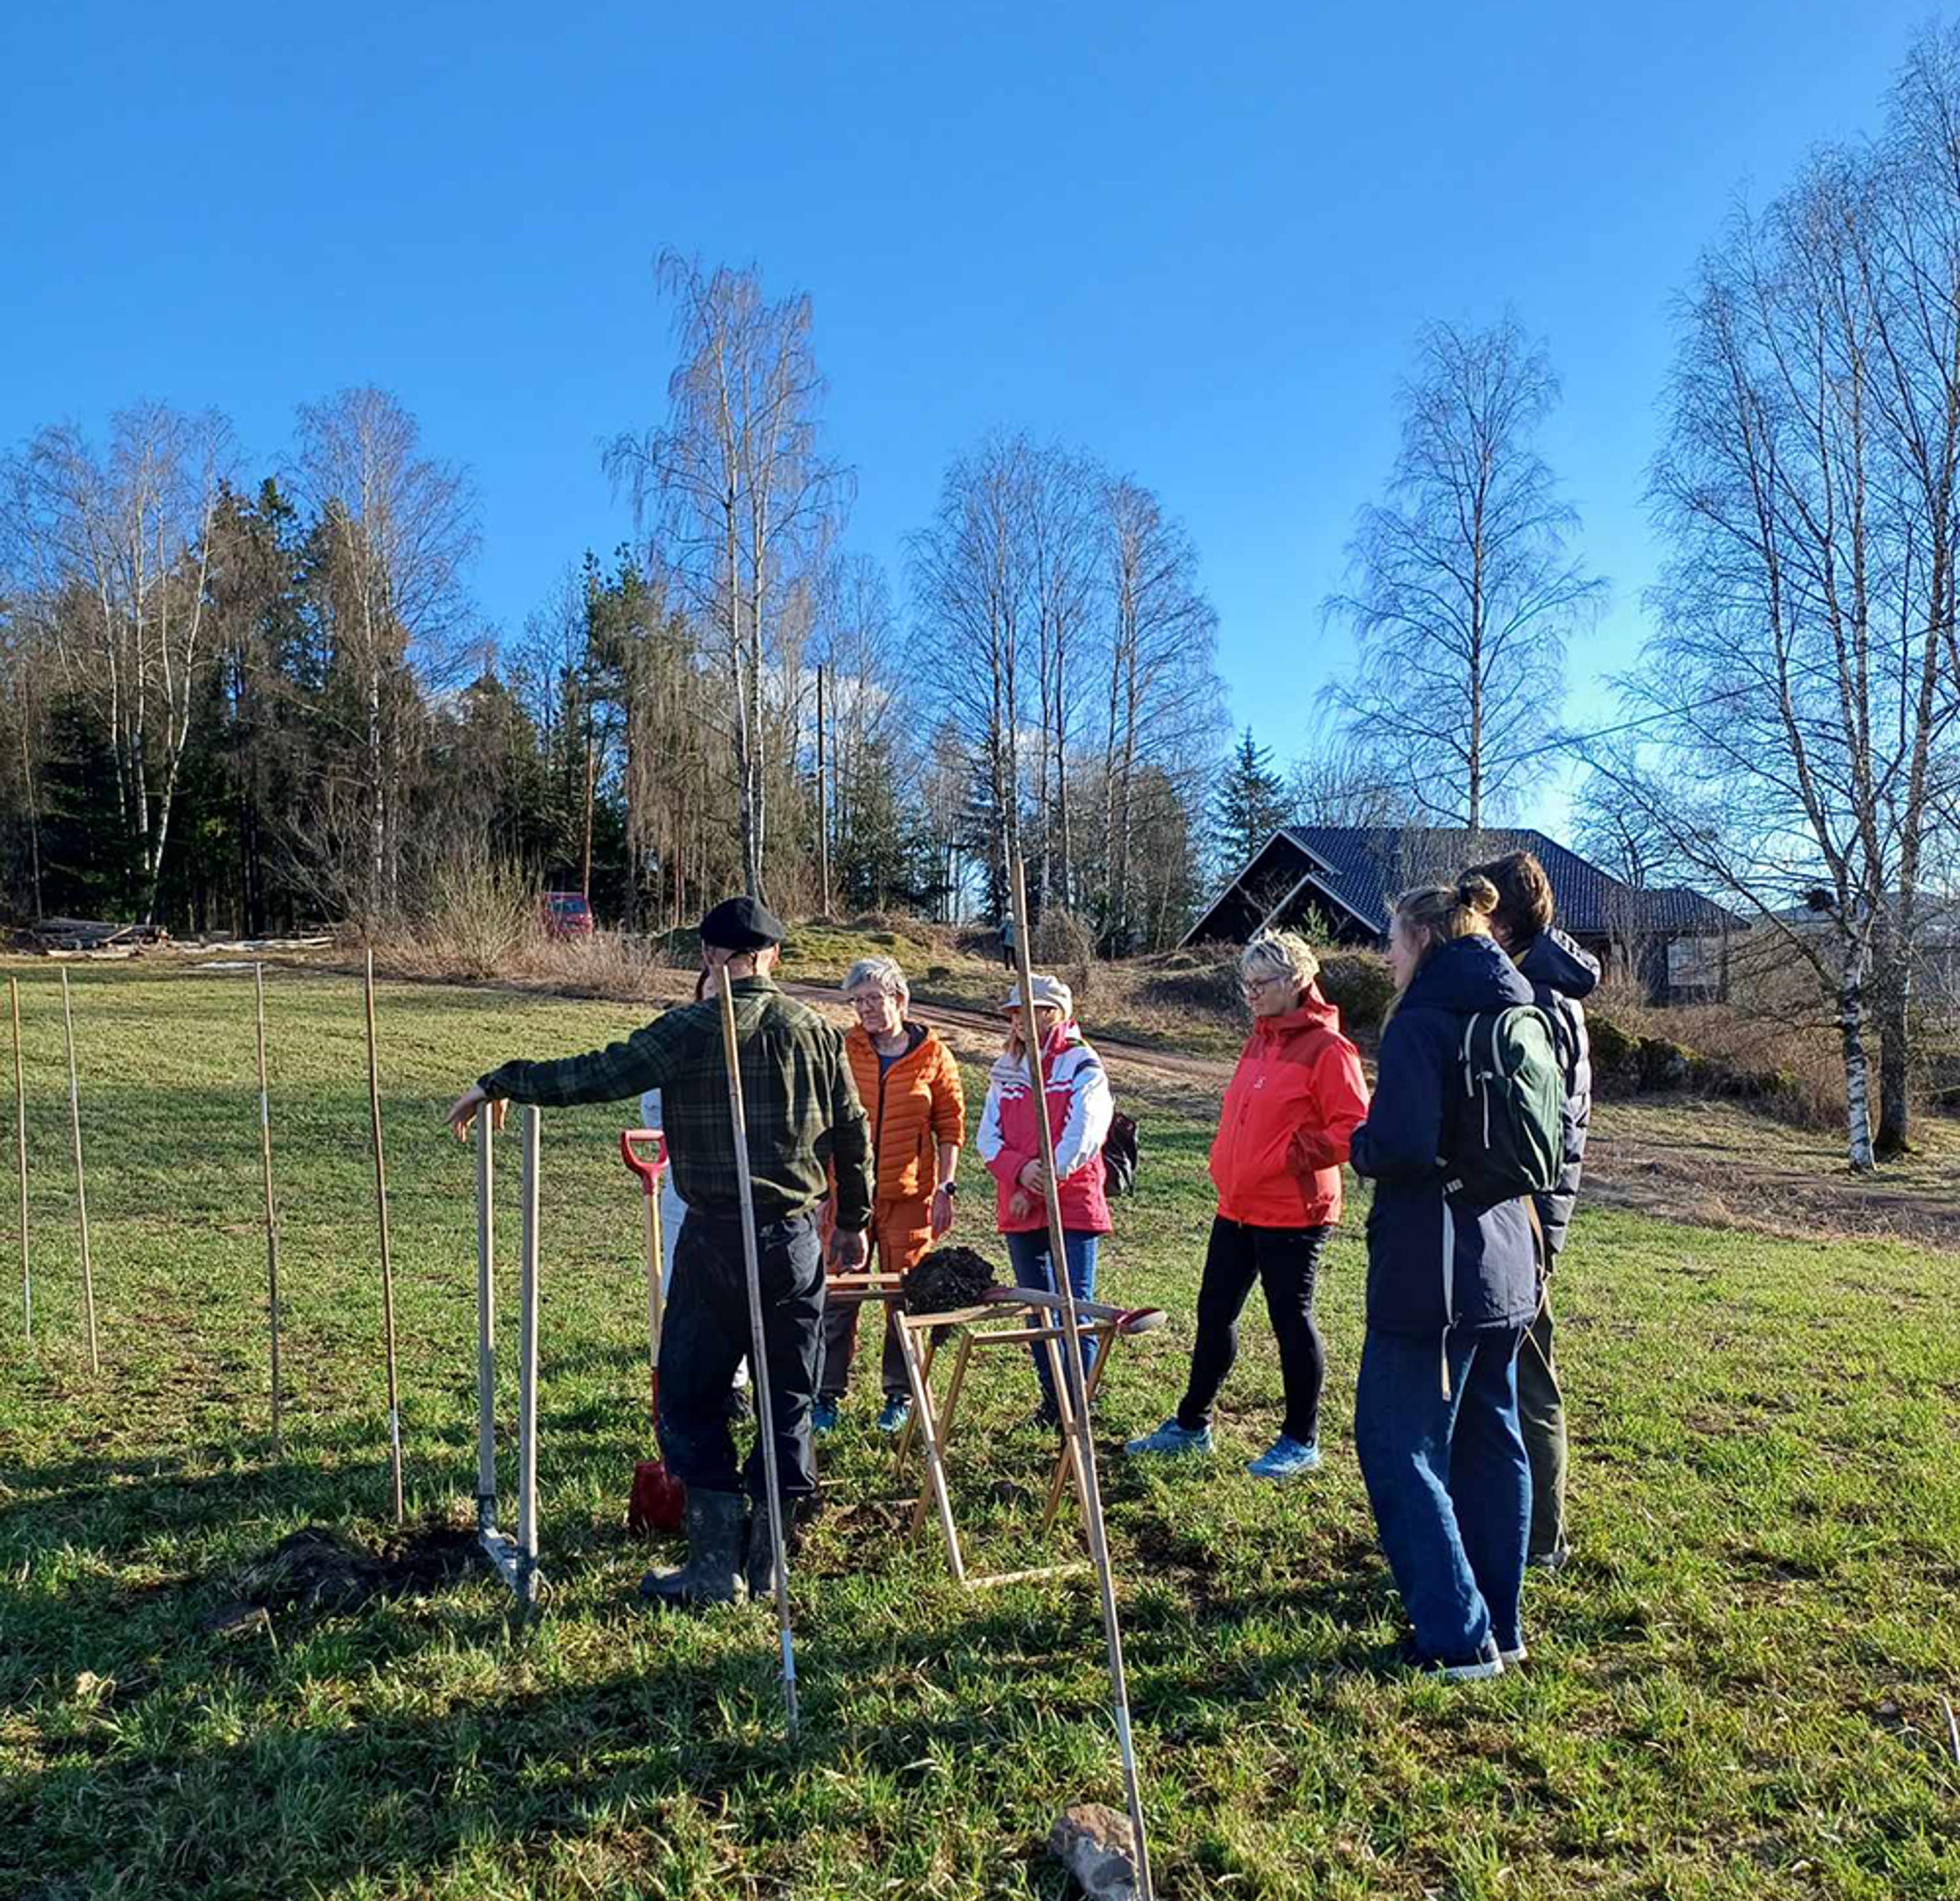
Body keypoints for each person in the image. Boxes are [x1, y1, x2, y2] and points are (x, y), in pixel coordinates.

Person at [446, 895, 871, 1608]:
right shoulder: (817, 1032)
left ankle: (714, 1569)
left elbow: (596, 1073)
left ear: (709, 956)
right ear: (773, 957)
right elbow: (852, 1134)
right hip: (794, 1240)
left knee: (690, 1394)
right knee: (788, 1398)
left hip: (715, 1243)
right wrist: (853, 1220)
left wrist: (503, 1080)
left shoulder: (688, 1028)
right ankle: (768, 1565)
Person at [1349, 875, 1538, 1681]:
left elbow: (1401, 1145)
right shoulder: (1515, 1004)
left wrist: (1357, 1142)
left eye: (1391, 940)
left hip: (1435, 1271)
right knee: (1492, 1441)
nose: (1385, 957)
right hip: (1508, 1256)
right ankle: (1502, 1623)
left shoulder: (1423, 1020)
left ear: (1423, 938)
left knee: (1399, 1443)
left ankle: (1457, 1638)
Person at [1125, 931, 1368, 1479]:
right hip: (1238, 1205)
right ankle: (1191, 1425)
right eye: (1246, 984)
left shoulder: (1330, 1050)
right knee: (1214, 1313)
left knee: (1290, 1319)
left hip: (1294, 1210)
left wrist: (1291, 1154)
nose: (1251, 993)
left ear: (1297, 980)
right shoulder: (1258, 1040)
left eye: (1262, 983)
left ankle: (1301, 1439)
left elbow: (1353, 1128)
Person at [1469, 849, 1598, 1571]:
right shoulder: (1546, 985)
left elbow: (1538, 1129)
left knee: (1529, 1378)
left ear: (1502, 919)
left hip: (1527, 1212)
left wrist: (1534, 1226)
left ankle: (1541, 1538)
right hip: (1532, 1208)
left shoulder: (1537, 999)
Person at [815, 955, 966, 1435]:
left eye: (873, 999)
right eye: (857, 1001)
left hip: (911, 1198)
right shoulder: (845, 1049)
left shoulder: (935, 1056)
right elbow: (822, 1122)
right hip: (847, 1196)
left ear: (900, 999)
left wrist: (945, 1187)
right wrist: (820, 1190)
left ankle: (899, 1395)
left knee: (904, 1296)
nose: (865, 1009)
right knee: (839, 1296)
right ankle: (826, 1395)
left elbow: (950, 1127)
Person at [975, 972, 1112, 1428]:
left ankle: (1081, 1402)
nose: (1018, 1020)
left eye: (1029, 1011)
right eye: (1014, 1013)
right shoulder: (1006, 1068)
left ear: (1054, 1013)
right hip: (1019, 1201)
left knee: (1075, 1303)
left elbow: (1085, 1131)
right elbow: (987, 1137)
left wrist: (1041, 1181)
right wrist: (1019, 1172)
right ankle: (1053, 1402)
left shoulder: (1081, 1062)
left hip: (1070, 1201)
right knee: (1038, 1306)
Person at [641, 972, 749, 1410]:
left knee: (740, 1285)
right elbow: (654, 1115)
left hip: (745, 1190)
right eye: (710, 994)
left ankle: (736, 1383)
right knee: (683, 1283)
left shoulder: (753, 1049)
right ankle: (689, 1379)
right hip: (687, 1184)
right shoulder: (677, 1047)